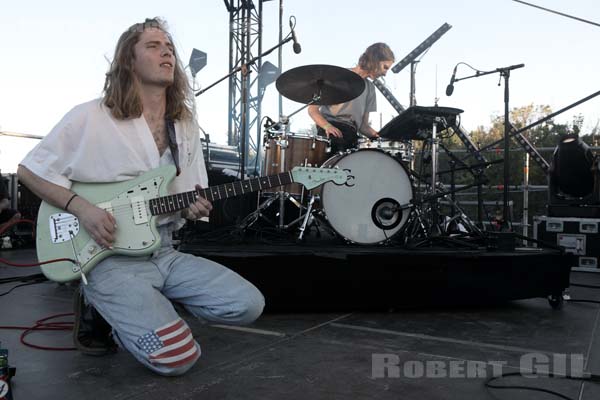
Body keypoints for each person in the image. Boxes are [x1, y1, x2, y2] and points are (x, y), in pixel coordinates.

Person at [17, 18, 264, 376]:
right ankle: (101, 299)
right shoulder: (90, 115)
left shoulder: (184, 125)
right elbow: (30, 171)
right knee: (177, 359)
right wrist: (82, 209)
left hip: (163, 249)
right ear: (129, 61)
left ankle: (140, 307)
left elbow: (188, 197)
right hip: (107, 253)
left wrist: (195, 208)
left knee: (247, 304)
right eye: (153, 45)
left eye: (169, 47)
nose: (167, 51)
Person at [308, 42, 395, 153]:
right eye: (385, 67)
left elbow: (363, 126)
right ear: (375, 60)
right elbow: (312, 110)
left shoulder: (370, 88)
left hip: (352, 134)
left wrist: (384, 139)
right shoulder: (337, 76)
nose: (385, 74)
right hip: (331, 132)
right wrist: (327, 126)